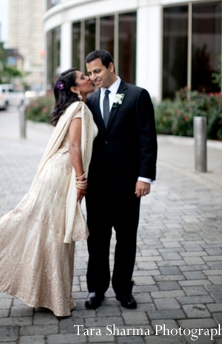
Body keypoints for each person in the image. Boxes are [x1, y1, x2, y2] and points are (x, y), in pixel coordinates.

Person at [0, 68, 97, 318]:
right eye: (83, 77)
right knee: (48, 233)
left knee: (38, 229)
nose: (88, 79)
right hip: (61, 176)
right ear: (75, 89)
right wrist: (81, 180)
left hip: (53, 175)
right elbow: (74, 147)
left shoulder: (71, 108)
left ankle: (47, 298)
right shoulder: (79, 109)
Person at [84, 50, 157, 310]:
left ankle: (124, 289)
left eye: (97, 71)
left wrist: (145, 176)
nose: (93, 77)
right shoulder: (90, 101)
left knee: (126, 239)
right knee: (97, 240)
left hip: (128, 185)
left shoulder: (137, 96)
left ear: (110, 66)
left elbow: (147, 139)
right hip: (97, 187)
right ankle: (96, 289)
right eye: (90, 73)